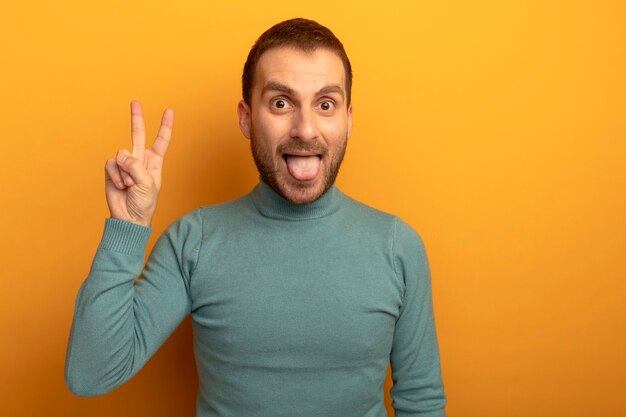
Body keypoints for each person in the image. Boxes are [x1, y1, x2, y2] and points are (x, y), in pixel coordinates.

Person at [65, 18, 446, 417]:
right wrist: (127, 226)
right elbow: (91, 374)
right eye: (281, 103)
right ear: (246, 118)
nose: (305, 129)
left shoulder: (398, 247)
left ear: (348, 119)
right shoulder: (193, 241)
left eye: (325, 104)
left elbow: (421, 403)